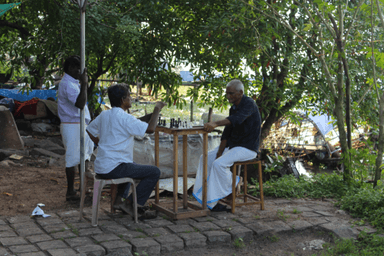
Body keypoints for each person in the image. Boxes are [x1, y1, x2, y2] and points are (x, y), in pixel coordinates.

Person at [86, 83, 166, 217]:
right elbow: (151, 130)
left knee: (130, 165)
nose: (131, 98)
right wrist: (157, 109)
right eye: (129, 96)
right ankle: (130, 204)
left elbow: (89, 129)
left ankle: (119, 201)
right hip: (114, 168)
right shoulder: (125, 118)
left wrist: (100, 143)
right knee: (154, 172)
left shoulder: (105, 114)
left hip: (101, 166)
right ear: (123, 100)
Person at [193, 79, 261, 211]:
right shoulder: (233, 108)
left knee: (219, 164)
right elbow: (227, 132)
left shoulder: (249, 104)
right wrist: (219, 152)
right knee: (205, 158)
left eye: (231, 93)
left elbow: (237, 119)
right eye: (227, 94)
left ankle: (234, 183)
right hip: (233, 147)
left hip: (248, 148)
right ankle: (210, 200)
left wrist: (215, 123)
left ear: (240, 93)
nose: (228, 96)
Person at [58, 55, 94, 202]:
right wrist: (85, 84)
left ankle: (82, 189)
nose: (81, 71)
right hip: (72, 125)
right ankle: (71, 192)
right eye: (78, 68)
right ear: (71, 68)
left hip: (77, 124)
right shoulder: (67, 84)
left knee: (82, 157)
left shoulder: (71, 82)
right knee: (73, 159)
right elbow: (80, 103)